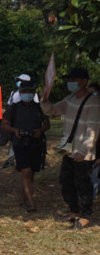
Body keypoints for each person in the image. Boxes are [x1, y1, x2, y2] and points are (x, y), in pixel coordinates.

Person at [42, 67, 99, 230]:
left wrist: (84, 151)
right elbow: (52, 110)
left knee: (83, 184)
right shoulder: (70, 99)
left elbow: (93, 129)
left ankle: (85, 215)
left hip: (83, 153)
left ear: (84, 81)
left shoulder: (93, 102)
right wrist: (44, 99)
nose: (70, 83)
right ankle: (74, 212)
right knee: (66, 182)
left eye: (74, 80)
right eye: (70, 80)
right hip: (68, 151)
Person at [1, 77, 49, 212]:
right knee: (26, 171)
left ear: (34, 93)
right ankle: (31, 204)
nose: (27, 93)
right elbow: (4, 125)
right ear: (20, 93)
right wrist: (15, 130)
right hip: (20, 144)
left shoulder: (40, 108)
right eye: (24, 91)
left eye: (30, 91)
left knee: (30, 173)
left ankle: (24, 198)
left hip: (36, 144)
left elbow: (47, 124)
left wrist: (40, 130)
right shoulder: (13, 108)